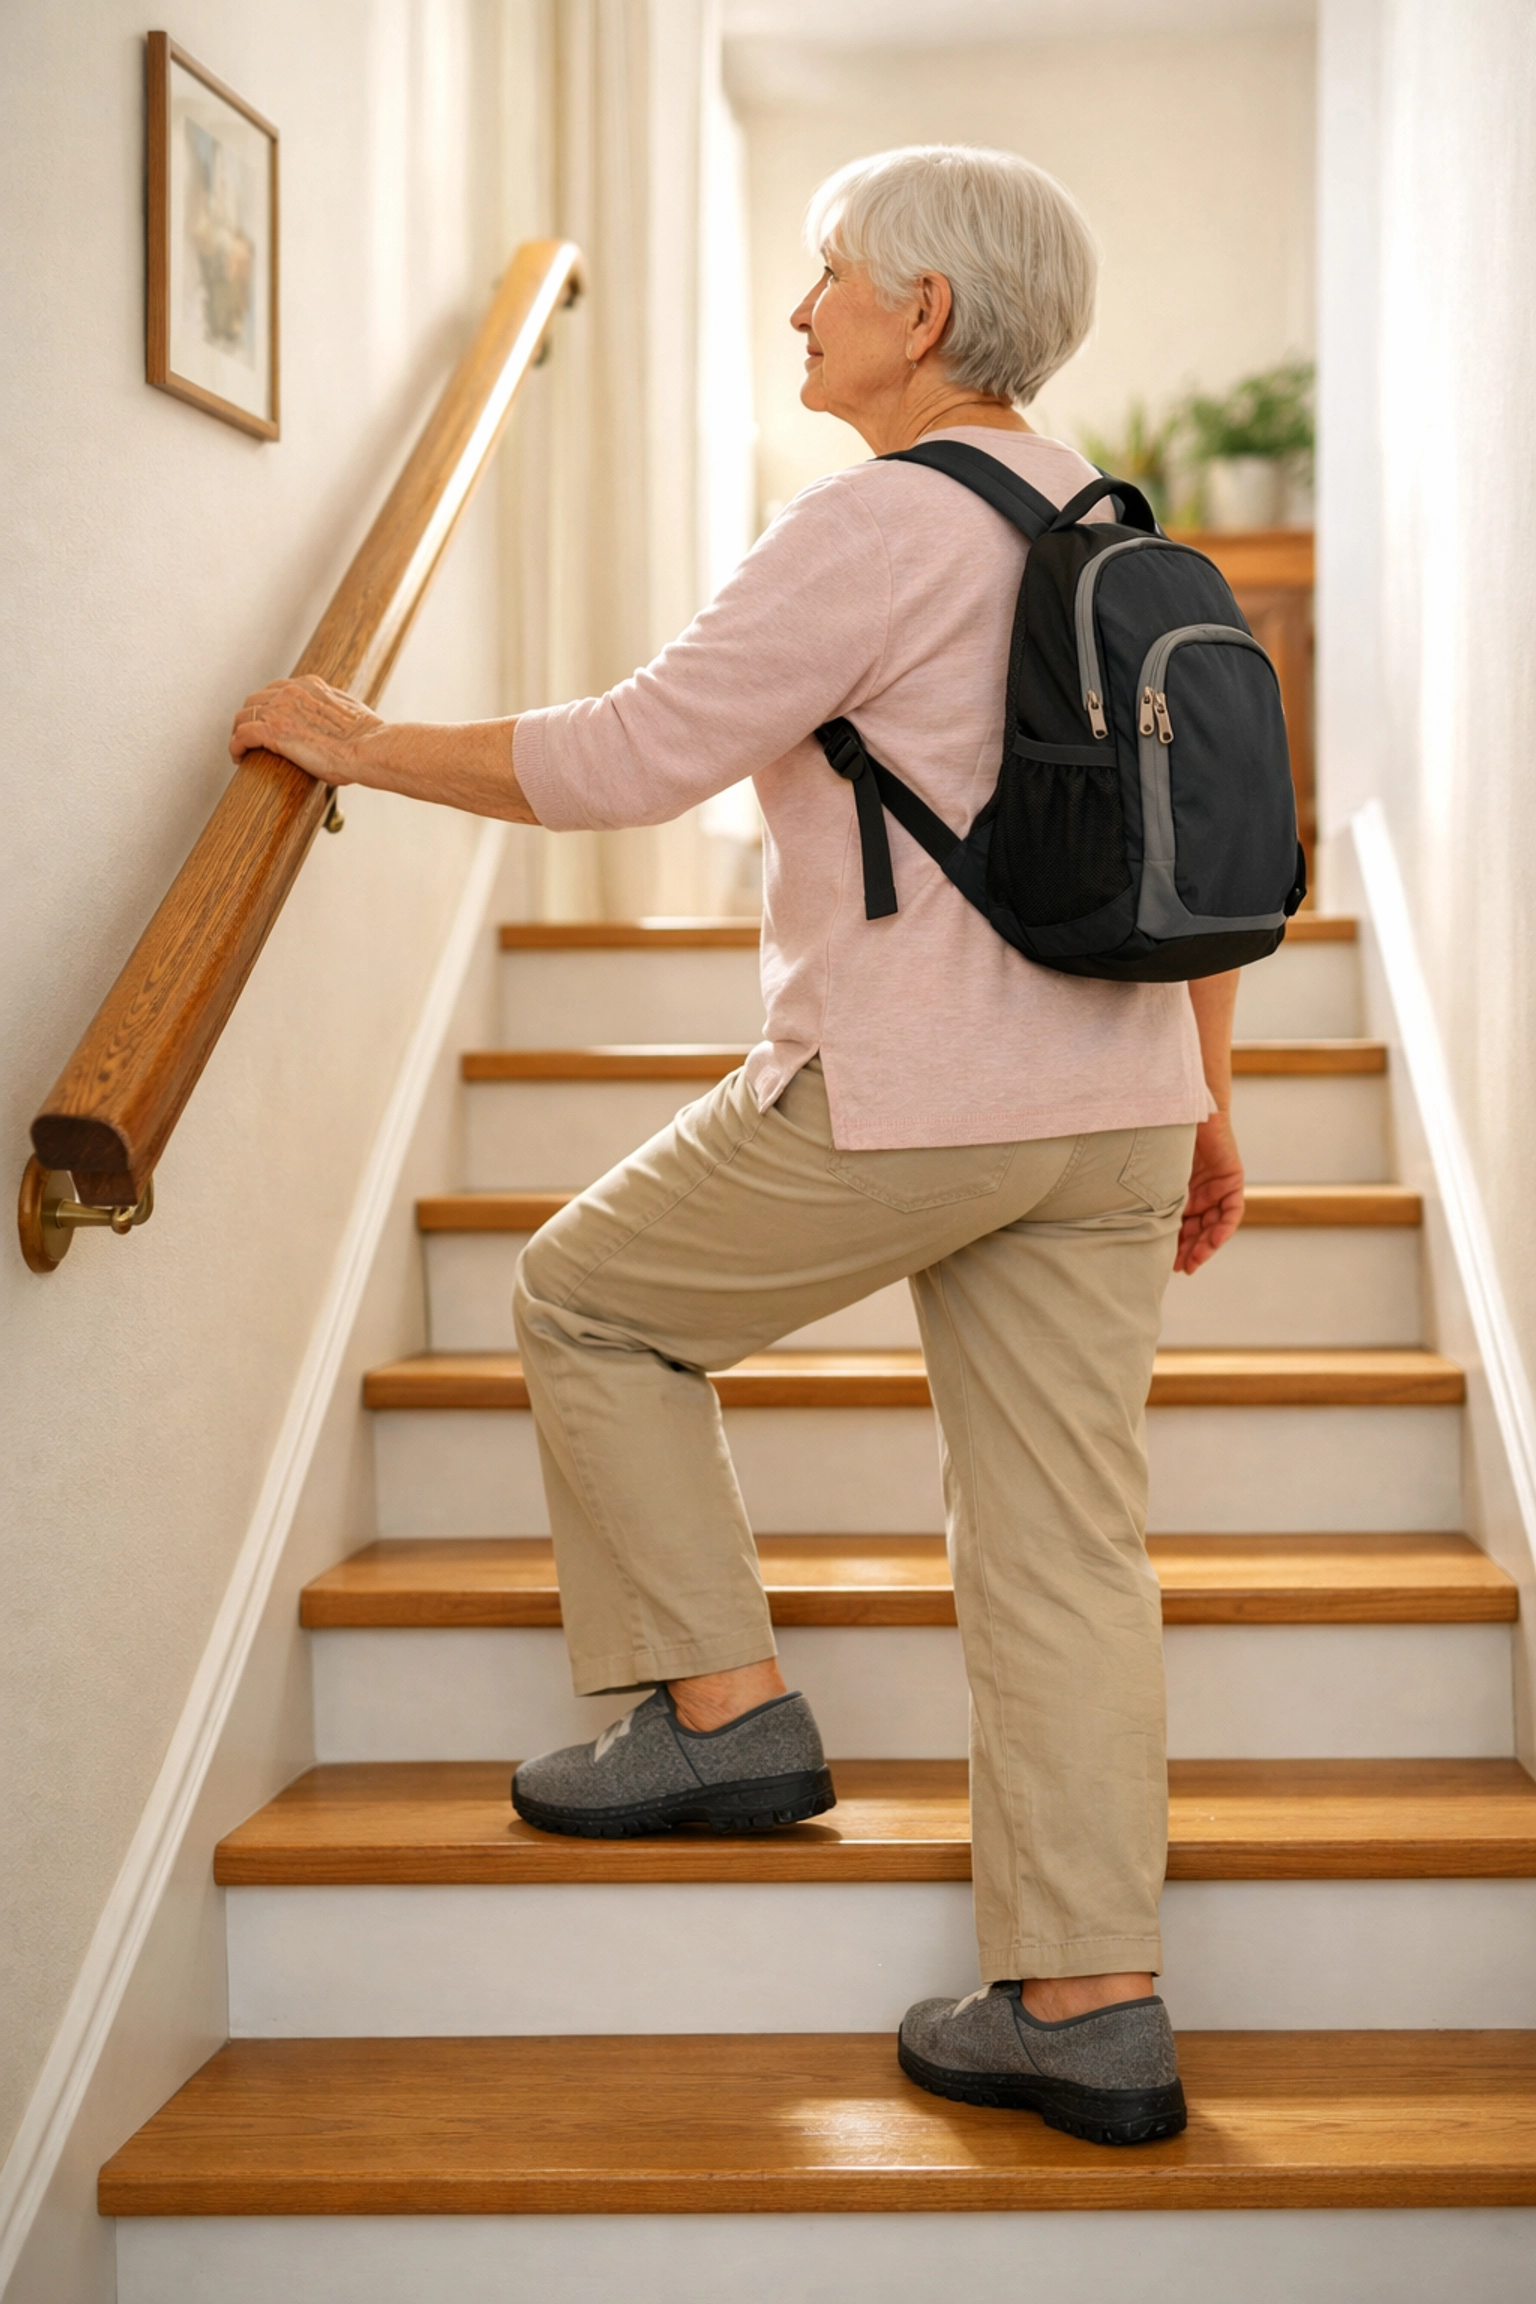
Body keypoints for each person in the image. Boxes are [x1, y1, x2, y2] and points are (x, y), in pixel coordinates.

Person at [231, 144, 1244, 2148]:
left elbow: (632, 757)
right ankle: (1092, 2009)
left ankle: (719, 1713)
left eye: (830, 275)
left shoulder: (873, 522)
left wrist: (357, 743)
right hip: (1124, 1103)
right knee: (1064, 1550)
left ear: (923, 315)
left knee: (585, 1300)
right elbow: (1216, 846)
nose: (804, 309)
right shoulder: (1114, 521)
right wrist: (1209, 1100)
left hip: (920, 1091)